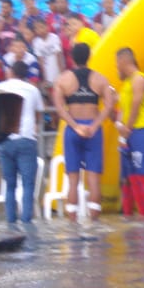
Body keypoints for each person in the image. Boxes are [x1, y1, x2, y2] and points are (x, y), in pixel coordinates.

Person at [51, 42, 114, 220]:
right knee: (93, 179)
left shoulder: (63, 79)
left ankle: (72, 224)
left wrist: (75, 126)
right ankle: (94, 222)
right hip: (93, 130)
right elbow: (109, 106)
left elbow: (59, 107)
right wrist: (94, 126)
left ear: (71, 57)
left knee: (73, 180)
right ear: (89, 57)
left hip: (73, 130)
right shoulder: (100, 79)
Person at [0, 60, 44, 224]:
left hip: (5, 140)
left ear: (11, 72)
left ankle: (10, 223)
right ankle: (27, 223)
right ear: (26, 75)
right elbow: (39, 115)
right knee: (28, 185)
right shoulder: (33, 90)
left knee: (10, 185)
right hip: (26, 139)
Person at [113, 47, 144, 217]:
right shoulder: (126, 85)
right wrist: (120, 129)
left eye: (117, 63)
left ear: (124, 61)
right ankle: (130, 215)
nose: (116, 67)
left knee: (143, 175)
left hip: (141, 131)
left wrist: (127, 128)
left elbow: (136, 105)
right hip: (128, 134)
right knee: (129, 177)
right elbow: (123, 109)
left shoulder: (139, 79)